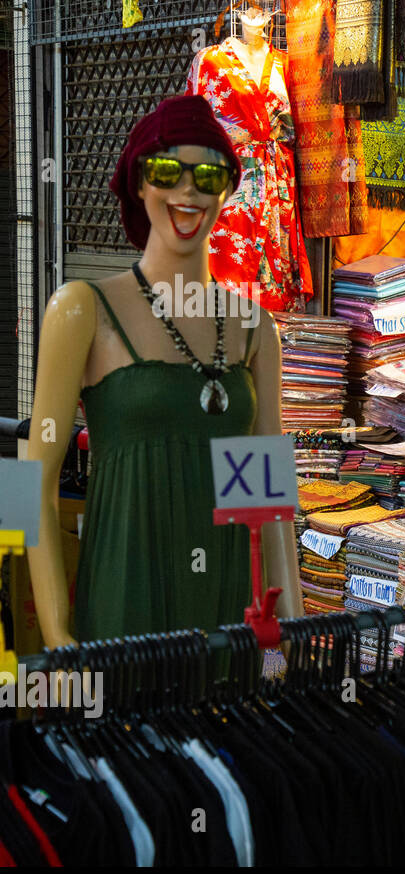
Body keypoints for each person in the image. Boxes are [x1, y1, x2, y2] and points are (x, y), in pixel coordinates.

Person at [25, 94, 303, 647]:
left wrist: (287, 636)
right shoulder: (82, 310)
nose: (188, 189)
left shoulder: (253, 329)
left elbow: (267, 506)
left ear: (227, 189)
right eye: (166, 169)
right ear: (138, 182)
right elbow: (30, 482)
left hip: (230, 618)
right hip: (121, 609)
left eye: (209, 173)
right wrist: (57, 638)